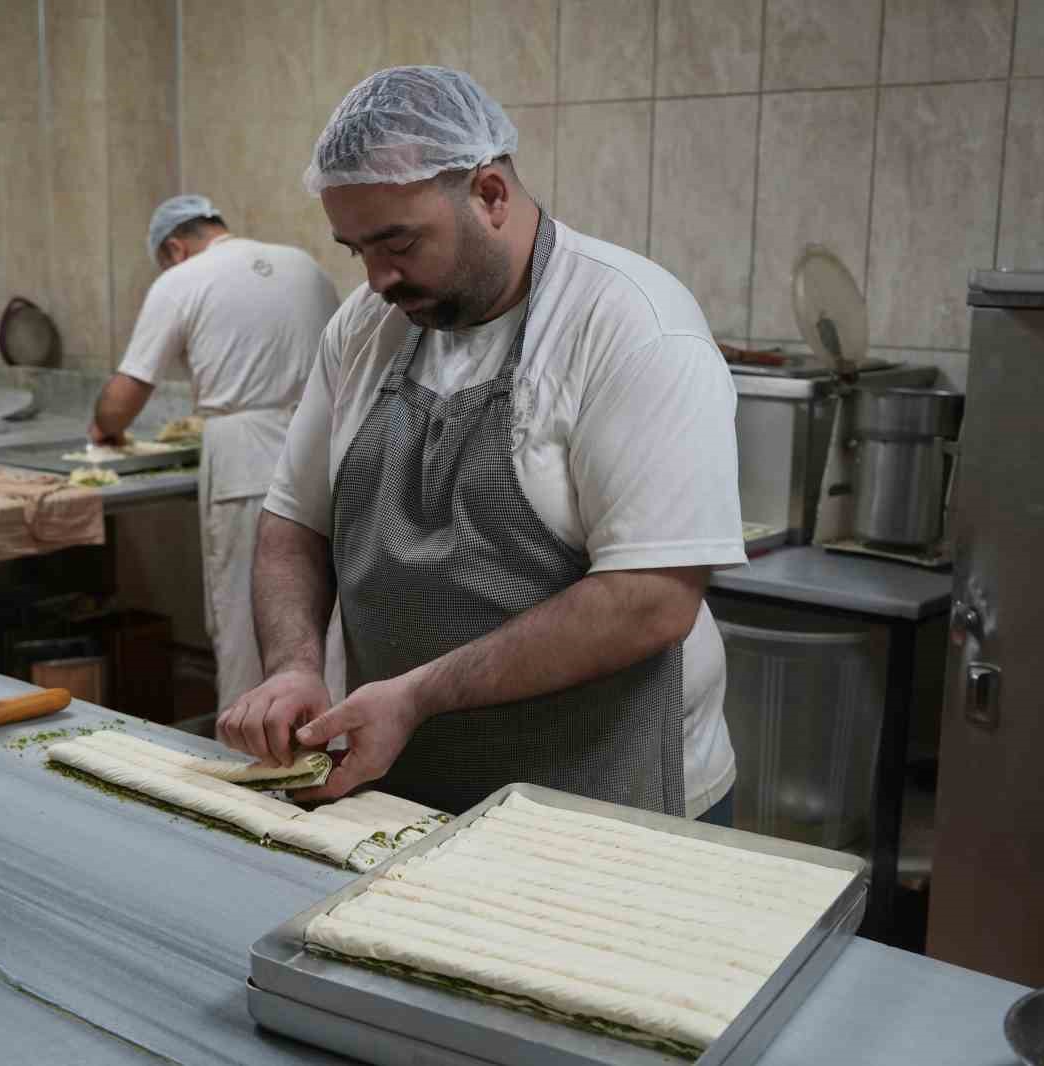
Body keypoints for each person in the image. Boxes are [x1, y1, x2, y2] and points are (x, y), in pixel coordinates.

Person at [216, 67, 746, 821]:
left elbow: (650, 600)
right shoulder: (366, 329)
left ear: (491, 195)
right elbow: (295, 522)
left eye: (398, 242)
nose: (378, 278)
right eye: (355, 249)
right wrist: (295, 668)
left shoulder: (630, 325)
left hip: (611, 803)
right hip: (407, 795)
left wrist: (420, 695)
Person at [90, 195, 339, 713]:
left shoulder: (181, 281)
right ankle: (329, 757)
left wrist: (103, 427)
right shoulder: (304, 265)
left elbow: (127, 393)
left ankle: (252, 768)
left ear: (176, 248)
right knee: (327, 628)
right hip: (330, 456)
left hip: (247, 466)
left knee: (250, 629)